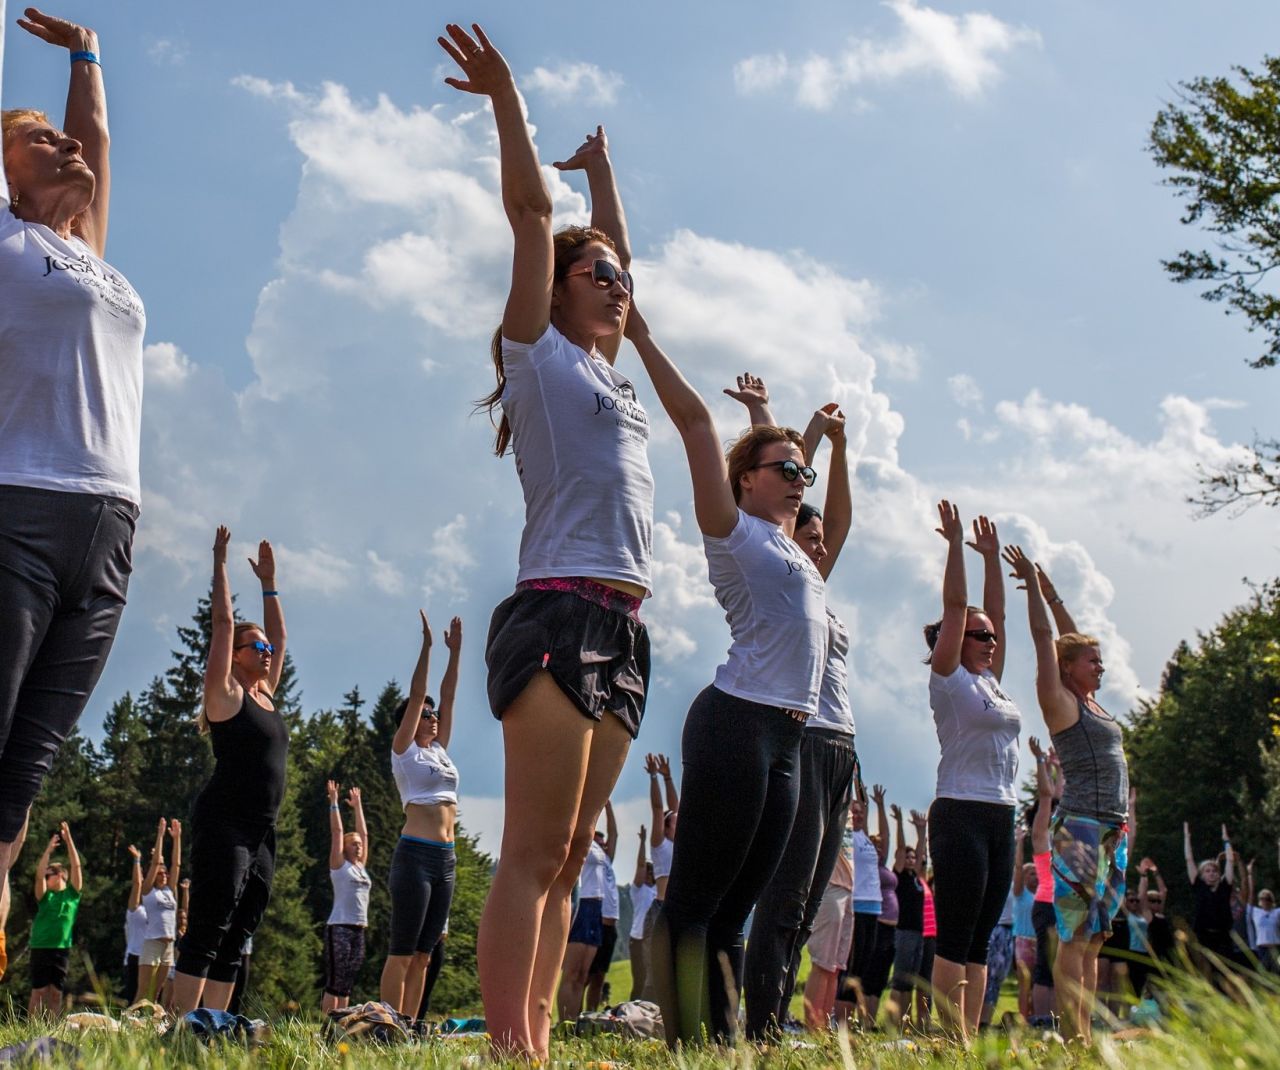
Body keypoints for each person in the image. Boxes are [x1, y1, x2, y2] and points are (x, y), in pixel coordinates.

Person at [438, 24, 651, 1059]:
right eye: (597, 271)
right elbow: (532, 215)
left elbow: (621, 255)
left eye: (618, 273)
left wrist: (606, 174)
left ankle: (542, 1040)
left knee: (571, 854)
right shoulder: (540, 361)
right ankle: (507, 1045)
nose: (616, 282)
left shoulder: (613, 375)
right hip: (558, 610)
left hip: (625, 621)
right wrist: (506, 96)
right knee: (528, 848)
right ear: (561, 288)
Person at [622, 305, 828, 1046]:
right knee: (698, 900)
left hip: (788, 738)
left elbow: (778, 458)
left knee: (739, 906)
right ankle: (681, 1042)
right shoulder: (735, 532)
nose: (803, 480)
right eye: (788, 471)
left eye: (806, 472)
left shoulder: (793, 544)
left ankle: (722, 1043)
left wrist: (772, 420)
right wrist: (643, 335)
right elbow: (697, 430)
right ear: (745, 481)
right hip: (736, 722)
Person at [0, 6, 144, 944]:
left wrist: (85, 55)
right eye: (33, 139)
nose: (62, 143)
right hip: (19, 513)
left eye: (59, 134)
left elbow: (90, 138)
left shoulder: (85, 255)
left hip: (109, 534)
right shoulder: (6, 247)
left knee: (12, 807)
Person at [728, 376, 858, 1040]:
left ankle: (771, 1021)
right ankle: (763, 1032)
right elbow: (789, 495)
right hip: (800, 736)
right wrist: (773, 418)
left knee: (807, 906)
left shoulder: (816, 588)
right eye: (809, 537)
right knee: (784, 896)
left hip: (841, 749)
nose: (821, 545)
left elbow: (835, 520)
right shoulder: (774, 565)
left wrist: (839, 449)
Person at [1004, 543, 1130, 1044]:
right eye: (1092, 661)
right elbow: (1045, 639)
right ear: (1070, 667)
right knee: (1076, 939)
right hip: (1079, 828)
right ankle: (1075, 1041)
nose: (1100, 667)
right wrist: (1034, 592)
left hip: (1112, 830)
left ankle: (1087, 1037)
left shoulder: (1093, 702)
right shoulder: (1059, 702)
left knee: (1096, 939)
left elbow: (1069, 637)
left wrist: (1055, 593)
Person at [173, 528, 287, 1013]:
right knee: (209, 924)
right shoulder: (228, 696)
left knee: (240, 929)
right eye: (256, 648)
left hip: (263, 831)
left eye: (266, 650)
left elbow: (280, 637)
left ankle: (213, 1028)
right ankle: (177, 1030)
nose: (266, 653)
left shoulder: (266, 693)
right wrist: (219, 560)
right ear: (236, 655)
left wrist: (269, 584)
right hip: (226, 824)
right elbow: (222, 623)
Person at [925, 504, 1021, 1036]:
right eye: (979, 637)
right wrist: (956, 544)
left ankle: (970, 1038)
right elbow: (957, 604)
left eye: (990, 638)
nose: (990, 643)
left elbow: (998, 618)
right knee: (957, 932)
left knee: (982, 935)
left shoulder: (991, 683)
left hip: (1001, 813)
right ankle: (946, 1041)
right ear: (955, 640)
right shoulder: (950, 681)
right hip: (960, 809)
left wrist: (991, 560)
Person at [381, 614, 462, 1018]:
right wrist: (427, 648)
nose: (433, 718)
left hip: (445, 860)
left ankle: (409, 1026)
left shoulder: (440, 751)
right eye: (427, 716)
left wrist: (456, 652)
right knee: (402, 950)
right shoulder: (405, 752)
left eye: (434, 716)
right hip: (414, 856)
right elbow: (420, 696)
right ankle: (386, 1023)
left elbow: (448, 696)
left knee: (424, 955)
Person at [558, 803, 617, 1021]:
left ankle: (575, 1023)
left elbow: (614, 835)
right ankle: (565, 1022)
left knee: (583, 974)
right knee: (572, 973)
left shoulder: (600, 849)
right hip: (583, 903)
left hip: (597, 909)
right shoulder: (579, 837)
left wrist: (605, 805)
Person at [838, 784, 890, 1025]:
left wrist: (876, 804)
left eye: (861, 812)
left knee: (864, 967)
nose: (858, 814)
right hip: (856, 906)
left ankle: (851, 1019)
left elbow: (884, 839)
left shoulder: (866, 839)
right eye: (854, 811)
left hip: (873, 908)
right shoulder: (845, 836)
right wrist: (853, 794)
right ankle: (840, 1020)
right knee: (851, 964)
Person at [803, 814, 854, 1030]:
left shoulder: (849, 810)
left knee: (835, 967)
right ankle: (813, 1028)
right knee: (823, 963)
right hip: (830, 886)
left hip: (848, 889)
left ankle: (824, 1028)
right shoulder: (831, 800)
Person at [324, 781, 371, 1013]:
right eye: (354, 844)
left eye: (361, 845)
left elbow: (364, 832)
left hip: (359, 929)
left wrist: (358, 806)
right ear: (345, 847)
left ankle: (342, 1022)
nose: (359, 847)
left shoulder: (361, 867)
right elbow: (338, 832)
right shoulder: (339, 865)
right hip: (340, 927)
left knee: (347, 981)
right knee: (335, 980)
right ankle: (325, 1025)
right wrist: (334, 802)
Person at [29, 822, 82, 1017]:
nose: (45, 877)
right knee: (39, 991)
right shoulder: (45, 897)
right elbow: (38, 875)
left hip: (61, 949)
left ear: (60, 875)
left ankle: (52, 1030)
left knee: (55, 993)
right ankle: (31, 1030)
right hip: (41, 946)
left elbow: (76, 865)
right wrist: (48, 850)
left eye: (49, 875)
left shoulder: (72, 894)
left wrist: (69, 842)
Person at [1026, 737, 1061, 1024]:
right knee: (1046, 966)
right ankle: (1040, 1020)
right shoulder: (1041, 839)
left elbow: (1058, 796)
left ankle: (1057, 1021)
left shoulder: (1062, 839)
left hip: (1064, 906)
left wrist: (1059, 766)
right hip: (1047, 905)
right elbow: (1048, 797)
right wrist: (1041, 762)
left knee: (1061, 965)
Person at [638, 754, 678, 997]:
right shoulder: (659, 844)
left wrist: (669, 777)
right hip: (660, 910)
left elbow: (676, 808)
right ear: (666, 827)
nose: (679, 822)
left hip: (678, 909)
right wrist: (654, 777)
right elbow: (658, 809)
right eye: (675, 822)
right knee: (656, 971)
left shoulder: (679, 845)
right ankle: (648, 1013)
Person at [886, 809, 930, 1028]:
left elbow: (922, 853)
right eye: (909, 857)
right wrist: (901, 823)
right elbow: (902, 850)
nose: (912, 859)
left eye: (915, 857)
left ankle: (907, 1022)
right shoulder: (901, 875)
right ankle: (898, 1022)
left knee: (911, 981)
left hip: (919, 933)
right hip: (904, 932)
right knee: (901, 980)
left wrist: (922, 832)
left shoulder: (917, 878)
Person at [138, 817, 181, 1003]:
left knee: (156, 993)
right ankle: (128, 1023)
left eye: (165, 873)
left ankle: (147, 1026)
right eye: (160, 873)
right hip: (153, 943)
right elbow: (156, 863)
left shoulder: (169, 892)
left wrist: (177, 838)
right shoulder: (148, 892)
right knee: (144, 992)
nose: (163, 875)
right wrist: (161, 835)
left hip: (168, 946)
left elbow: (176, 865)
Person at [1184, 821, 1237, 969]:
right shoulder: (1199, 886)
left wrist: (1226, 840)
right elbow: (1189, 859)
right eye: (1207, 871)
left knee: (1224, 973)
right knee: (1205, 972)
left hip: (1223, 938)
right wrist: (1187, 838)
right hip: (1203, 937)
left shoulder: (1225, 887)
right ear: (1202, 875)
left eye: (1214, 871)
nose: (1212, 873)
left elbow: (1230, 860)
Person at [586, 803, 621, 1011]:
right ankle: (576, 1015)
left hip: (611, 923)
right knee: (586, 974)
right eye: (598, 843)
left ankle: (591, 1013)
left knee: (600, 975)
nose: (603, 845)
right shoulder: (590, 859)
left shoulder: (607, 860)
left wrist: (607, 805)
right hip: (596, 920)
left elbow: (614, 834)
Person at [1010, 825, 1038, 1021]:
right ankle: (1023, 1020)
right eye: (1031, 874)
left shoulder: (1044, 896)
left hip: (1041, 942)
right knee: (1025, 985)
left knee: (1038, 984)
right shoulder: (1020, 894)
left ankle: (1036, 1017)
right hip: (1023, 942)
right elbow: (1018, 867)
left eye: (1038, 874)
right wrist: (1020, 841)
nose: (1035, 877)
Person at [628, 827, 657, 1001]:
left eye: (650, 871)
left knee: (652, 980)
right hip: (638, 940)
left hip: (653, 939)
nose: (647, 874)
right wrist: (642, 842)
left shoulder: (657, 890)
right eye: (646, 871)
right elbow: (640, 865)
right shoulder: (638, 890)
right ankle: (633, 1010)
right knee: (639, 980)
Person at [123, 843, 146, 1003]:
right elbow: (137, 884)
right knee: (133, 999)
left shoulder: (154, 911)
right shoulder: (134, 910)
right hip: (134, 958)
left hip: (151, 959)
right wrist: (137, 861)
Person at [1248, 876, 1279, 973]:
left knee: (1277, 973)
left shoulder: (1277, 912)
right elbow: (1250, 895)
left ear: (1271, 900)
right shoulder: (1255, 912)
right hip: (1262, 948)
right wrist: (1249, 874)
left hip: (1276, 947)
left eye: (1267, 899)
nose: (1265, 901)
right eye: (1262, 898)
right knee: (1264, 973)